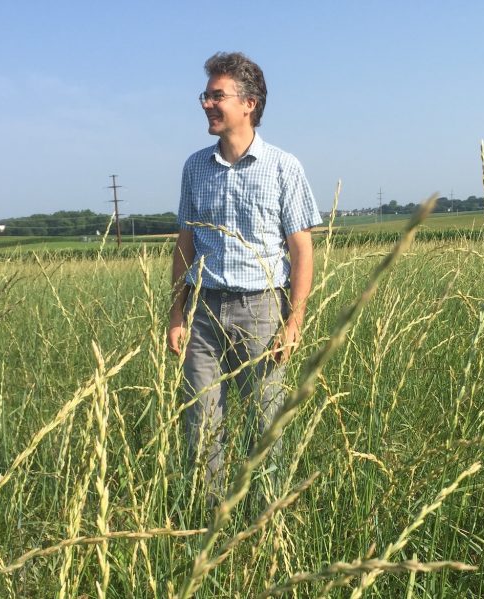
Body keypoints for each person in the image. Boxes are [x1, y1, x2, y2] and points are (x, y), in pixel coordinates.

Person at [167, 52, 321, 502]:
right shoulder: (195, 167)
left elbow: (301, 249)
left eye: (217, 96)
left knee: (264, 424)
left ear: (249, 103)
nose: (206, 104)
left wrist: (294, 322)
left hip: (262, 309)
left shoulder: (282, 166)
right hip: (202, 312)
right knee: (201, 423)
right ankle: (208, 522)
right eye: (206, 95)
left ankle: (264, 524)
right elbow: (185, 243)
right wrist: (176, 312)